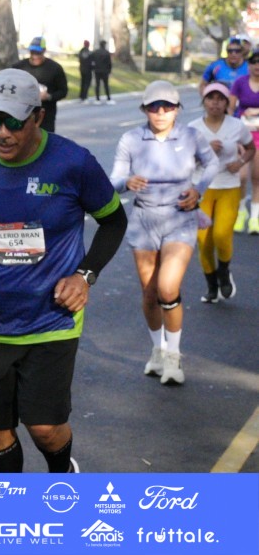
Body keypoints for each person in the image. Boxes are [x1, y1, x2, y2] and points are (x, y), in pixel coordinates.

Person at [0, 69, 127, 472]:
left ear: (38, 117)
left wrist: (85, 275)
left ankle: (62, 477)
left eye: (13, 122)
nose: (1, 133)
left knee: (44, 428)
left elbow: (113, 221)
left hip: (53, 318)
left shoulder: (73, 162)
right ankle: (14, 502)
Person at [110, 81, 219, 385]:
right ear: (144, 109)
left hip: (179, 217)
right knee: (149, 294)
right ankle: (157, 350)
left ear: (177, 109)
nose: (160, 112)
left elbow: (211, 163)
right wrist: (127, 182)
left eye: (167, 106)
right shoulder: (131, 139)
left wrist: (198, 190)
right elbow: (114, 180)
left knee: (167, 288)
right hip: (144, 219)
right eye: (153, 107)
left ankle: (173, 356)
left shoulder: (191, 136)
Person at [188, 83, 255, 302]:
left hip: (229, 187)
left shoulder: (237, 125)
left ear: (227, 103)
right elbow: (182, 161)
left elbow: (251, 148)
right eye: (211, 98)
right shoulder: (193, 128)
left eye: (220, 99)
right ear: (204, 102)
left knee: (221, 235)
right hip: (201, 188)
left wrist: (240, 162)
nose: (215, 103)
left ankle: (224, 272)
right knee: (203, 240)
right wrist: (204, 152)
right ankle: (211, 286)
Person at [229, 47, 259, 234]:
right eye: (254, 62)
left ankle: (255, 217)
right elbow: (231, 109)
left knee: (257, 177)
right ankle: (241, 212)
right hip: (242, 134)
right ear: (248, 65)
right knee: (241, 177)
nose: (257, 66)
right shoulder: (240, 82)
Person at [12, 36, 68, 132]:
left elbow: (63, 91)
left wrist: (49, 97)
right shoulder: (19, 67)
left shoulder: (55, 68)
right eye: (32, 52)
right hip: (21, 115)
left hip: (46, 117)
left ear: (44, 51)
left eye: (38, 53)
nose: (35, 56)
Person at [90, 40, 115, 105]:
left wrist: (93, 68)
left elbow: (92, 61)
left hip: (97, 71)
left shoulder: (96, 52)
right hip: (105, 71)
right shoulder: (106, 53)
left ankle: (97, 99)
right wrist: (109, 71)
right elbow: (109, 63)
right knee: (106, 85)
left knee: (97, 85)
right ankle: (108, 98)